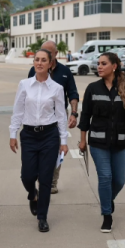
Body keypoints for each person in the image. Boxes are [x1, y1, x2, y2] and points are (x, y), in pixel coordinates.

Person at [79, 52, 125, 233]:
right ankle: (107, 215)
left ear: (114, 66)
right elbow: (86, 115)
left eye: (104, 63)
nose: (100, 66)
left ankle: (107, 199)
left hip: (120, 141)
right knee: (105, 177)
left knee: (119, 180)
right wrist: (82, 140)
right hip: (98, 142)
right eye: (98, 63)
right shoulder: (92, 88)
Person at [11, 49, 69, 233]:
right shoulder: (24, 84)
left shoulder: (57, 88)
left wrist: (64, 140)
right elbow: (18, 111)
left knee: (45, 178)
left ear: (50, 64)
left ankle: (42, 217)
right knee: (27, 175)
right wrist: (13, 134)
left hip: (49, 136)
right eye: (37, 59)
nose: (39, 63)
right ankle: (32, 194)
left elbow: (61, 115)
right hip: (28, 135)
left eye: (44, 60)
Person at [27, 40, 79, 194]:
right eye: (42, 52)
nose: (44, 56)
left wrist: (74, 113)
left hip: (58, 116)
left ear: (55, 54)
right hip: (38, 117)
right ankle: (40, 177)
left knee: (56, 149)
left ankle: (52, 181)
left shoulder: (65, 71)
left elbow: (73, 94)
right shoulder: (33, 70)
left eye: (48, 53)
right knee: (38, 149)